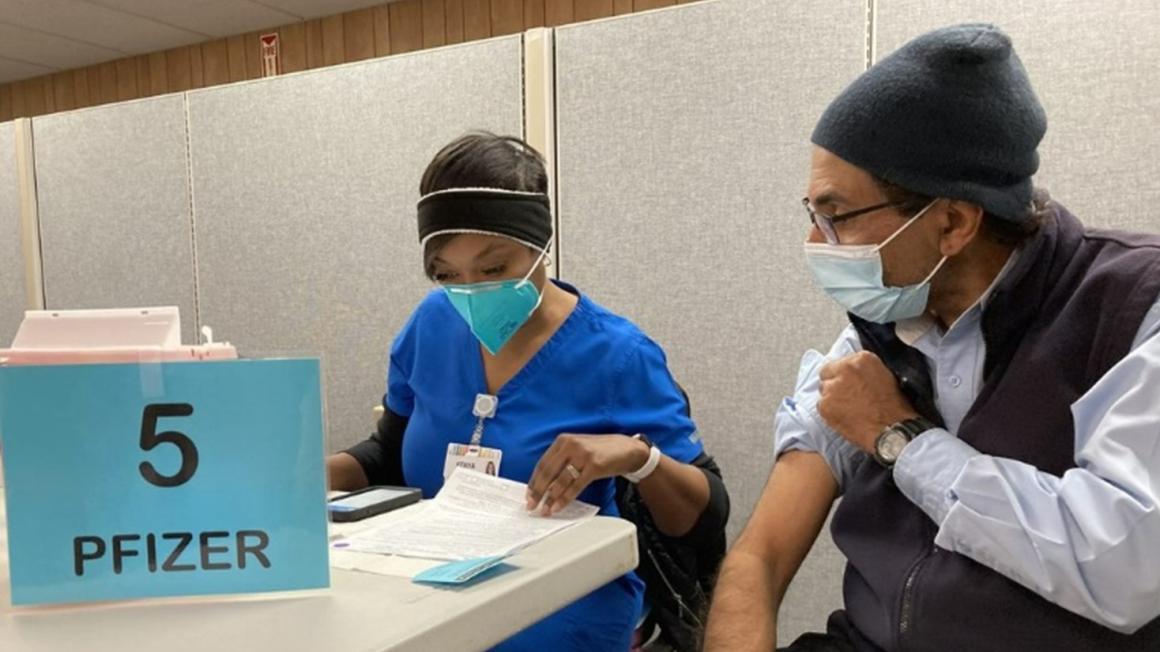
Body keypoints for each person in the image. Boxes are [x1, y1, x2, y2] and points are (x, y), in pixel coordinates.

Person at [705, 23, 1160, 652]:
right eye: (812, 215)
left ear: (951, 223)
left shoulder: (1132, 311)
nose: (816, 245)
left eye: (836, 217)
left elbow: (1125, 568)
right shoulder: (875, 337)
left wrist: (903, 440)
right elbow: (759, 557)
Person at [327, 132, 729, 651]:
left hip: (562, 601)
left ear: (542, 246)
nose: (470, 292)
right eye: (447, 274)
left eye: (494, 268)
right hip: (432, 587)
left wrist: (636, 457)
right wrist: (295, 478)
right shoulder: (431, 324)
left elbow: (704, 515)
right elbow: (388, 453)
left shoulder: (617, 354)